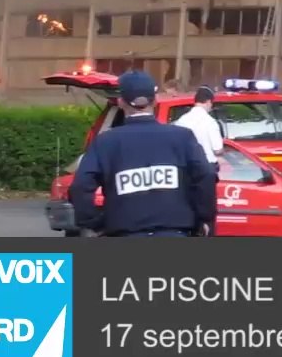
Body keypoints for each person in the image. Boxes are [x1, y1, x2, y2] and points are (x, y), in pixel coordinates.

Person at [69, 71, 217, 237]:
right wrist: (204, 218)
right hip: (175, 233)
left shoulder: (106, 142)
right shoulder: (182, 137)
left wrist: (94, 222)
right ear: (155, 100)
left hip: (124, 234)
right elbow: (207, 175)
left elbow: (81, 186)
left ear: (120, 102)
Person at [173, 86, 224, 174]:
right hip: (206, 168)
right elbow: (218, 149)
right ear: (208, 102)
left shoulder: (181, 120)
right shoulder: (210, 122)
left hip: (185, 168)